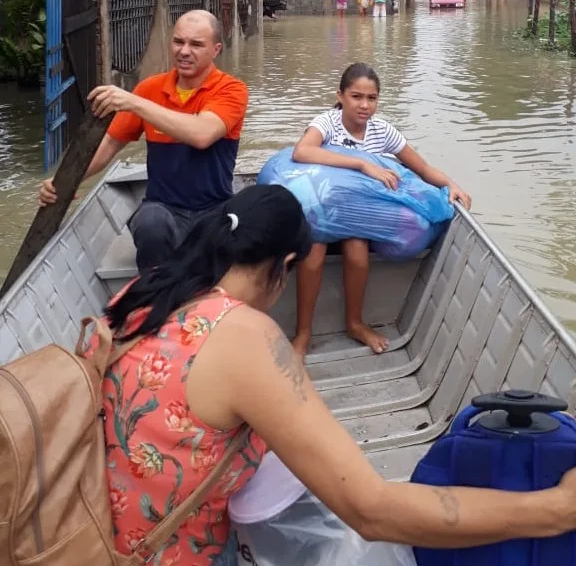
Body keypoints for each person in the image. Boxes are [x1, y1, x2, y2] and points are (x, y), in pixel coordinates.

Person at [97, 184, 576, 565]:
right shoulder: (246, 336)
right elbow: (372, 513)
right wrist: (554, 511)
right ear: (286, 264)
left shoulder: (141, 295)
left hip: (102, 538)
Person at [38, 10, 249, 271]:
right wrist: (63, 182)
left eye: (196, 44)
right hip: (163, 208)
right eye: (178, 42)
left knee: (242, 232)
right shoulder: (150, 89)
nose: (184, 51)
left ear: (216, 49)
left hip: (213, 208)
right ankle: (153, 297)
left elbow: (202, 134)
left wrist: (134, 102)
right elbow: (109, 145)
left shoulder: (231, 90)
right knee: (151, 224)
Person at [291, 62, 471, 358]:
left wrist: (451, 184)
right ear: (340, 95)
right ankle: (303, 334)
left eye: (371, 98)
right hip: (325, 213)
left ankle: (355, 323)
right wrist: (362, 162)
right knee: (314, 249)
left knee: (357, 248)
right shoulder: (327, 122)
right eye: (356, 96)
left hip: (360, 218)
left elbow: (422, 168)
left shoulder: (382, 131)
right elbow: (302, 151)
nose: (364, 105)